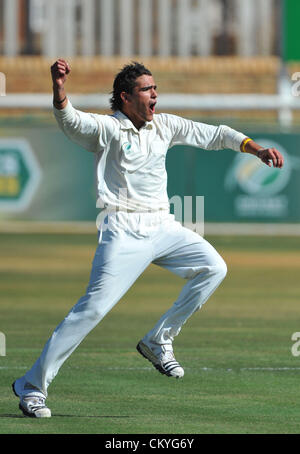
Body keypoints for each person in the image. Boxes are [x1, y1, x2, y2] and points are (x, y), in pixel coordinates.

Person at [12, 59, 284, 418]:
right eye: (146, 89)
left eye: (155, 88)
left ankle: (159, 340)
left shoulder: (165, 124)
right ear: (125, 98)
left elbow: (215, 134)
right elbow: (72, 122)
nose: (154, 95)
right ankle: (31, 387)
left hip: (162, 225)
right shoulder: (108, 129)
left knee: (213, 267)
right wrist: (60, 91)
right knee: (92, 308)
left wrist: (255, 148)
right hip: (122, 230)